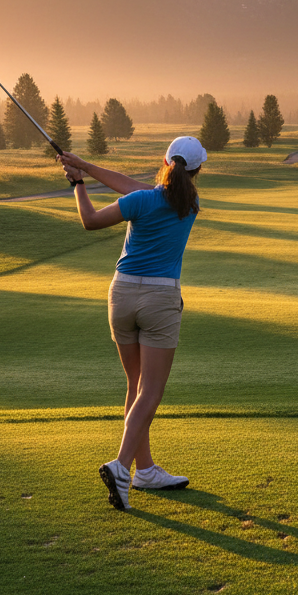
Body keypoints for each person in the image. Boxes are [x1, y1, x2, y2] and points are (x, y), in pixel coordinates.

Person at [59, 136, 206, 511]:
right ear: (197, 170)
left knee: (136, 385)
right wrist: (86, 168)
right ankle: (122, 467)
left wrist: (79, 183)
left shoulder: (142, 201)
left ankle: (145, 471)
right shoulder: (189, 205)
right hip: (159, 300)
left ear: (164, 161)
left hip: (121, 294)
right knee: (151, 392)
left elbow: (91, 221)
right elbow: (139, 188)